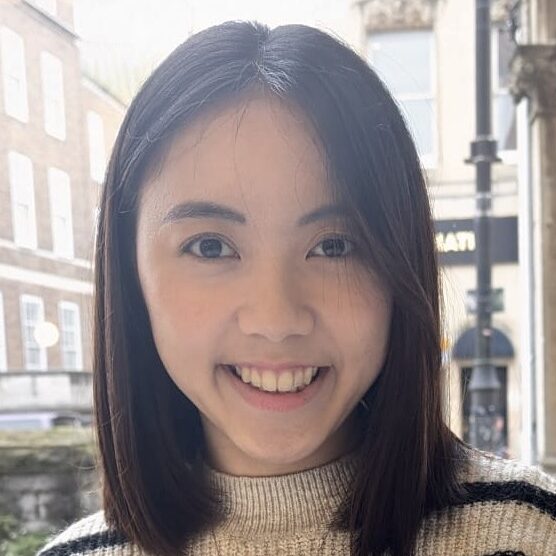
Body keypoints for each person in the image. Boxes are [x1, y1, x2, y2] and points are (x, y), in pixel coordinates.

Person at [37, 21, 555, 556]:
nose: (275, 319)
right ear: (131, 272)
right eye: (210, 247)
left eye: (334, 246)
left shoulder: (532, 534)